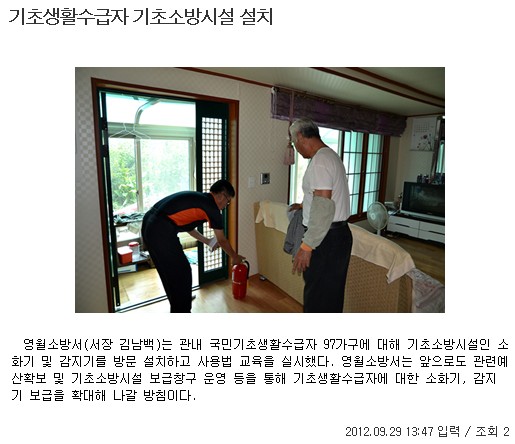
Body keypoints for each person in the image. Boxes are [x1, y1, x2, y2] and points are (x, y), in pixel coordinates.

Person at [141, 180, 245, 313]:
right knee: (182, 273)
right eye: (228, 201)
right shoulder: (212, 208)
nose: (226, 205)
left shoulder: (201, 200)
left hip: (149, 223)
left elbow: (189, 228)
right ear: (222, 196)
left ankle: (179, 302)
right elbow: (222, 240)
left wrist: (207, 241)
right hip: (160, 229)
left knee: (169, 272)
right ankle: (182, 308)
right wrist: (235, 257)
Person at [289, 118, 353, 313]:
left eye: (294, 142)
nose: (295, 147)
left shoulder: (320, 161)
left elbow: (324, 206)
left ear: (300, 136)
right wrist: (304, 205)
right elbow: (326, 196)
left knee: (317, 295)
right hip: (338, 235)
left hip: (325, 239)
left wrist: (307, 246)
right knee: (331, 294)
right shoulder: (330, 155)